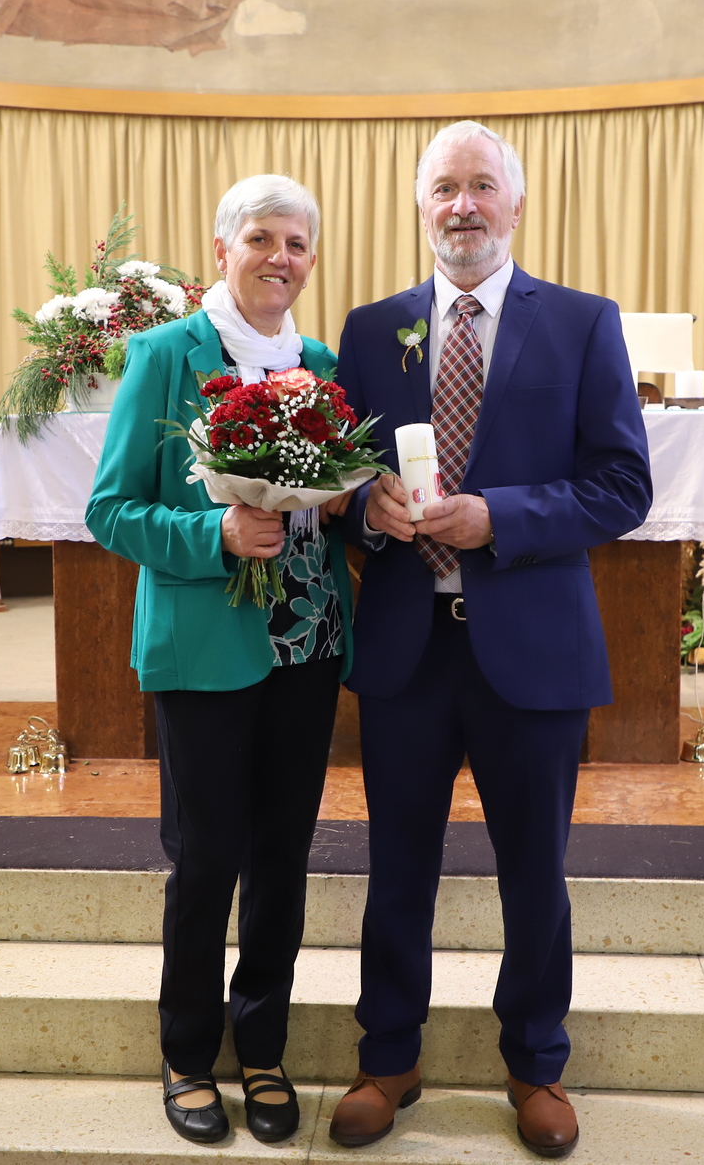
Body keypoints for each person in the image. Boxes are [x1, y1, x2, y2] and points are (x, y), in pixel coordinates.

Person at [328, 122, 653, 1157]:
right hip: (407, 646)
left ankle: (537, 1063)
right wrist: (366, 508)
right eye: (443, 188)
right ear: (420, 205)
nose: (461, 205)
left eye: (480, 186)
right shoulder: (372, 330)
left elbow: (624, 486)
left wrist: (497, 517)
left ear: (516, 203)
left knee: (534, 873)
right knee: (397, 868)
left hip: (532, 647)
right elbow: (337, 481)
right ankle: (389, 1056)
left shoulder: (583, 323)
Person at [86, 175, 356, 1146]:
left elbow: (336, 499)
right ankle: (188, 1053)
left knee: (283, 856)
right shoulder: (167, 354)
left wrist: (341, 500)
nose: (280, 257)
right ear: (221, 249)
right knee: (207, 858)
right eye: (261, 238)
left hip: (307, 642)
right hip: (205, 648)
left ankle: (264, 1047)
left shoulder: (320, 364)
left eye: (297, 243)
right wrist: (217, 534)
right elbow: (110, 509)